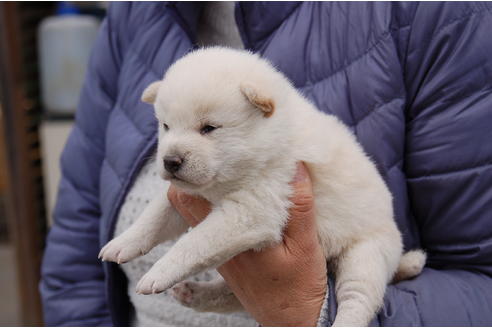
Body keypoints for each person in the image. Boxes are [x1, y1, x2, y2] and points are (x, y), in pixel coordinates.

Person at [40, 2, 492, 326]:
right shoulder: (132, 16)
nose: (173, 150)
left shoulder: (436, 14)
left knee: (359, 287)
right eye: (164, 127)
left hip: (361, 244)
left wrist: (306, 314)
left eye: (208, 129)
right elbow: (76, 242)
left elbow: (480, 279)